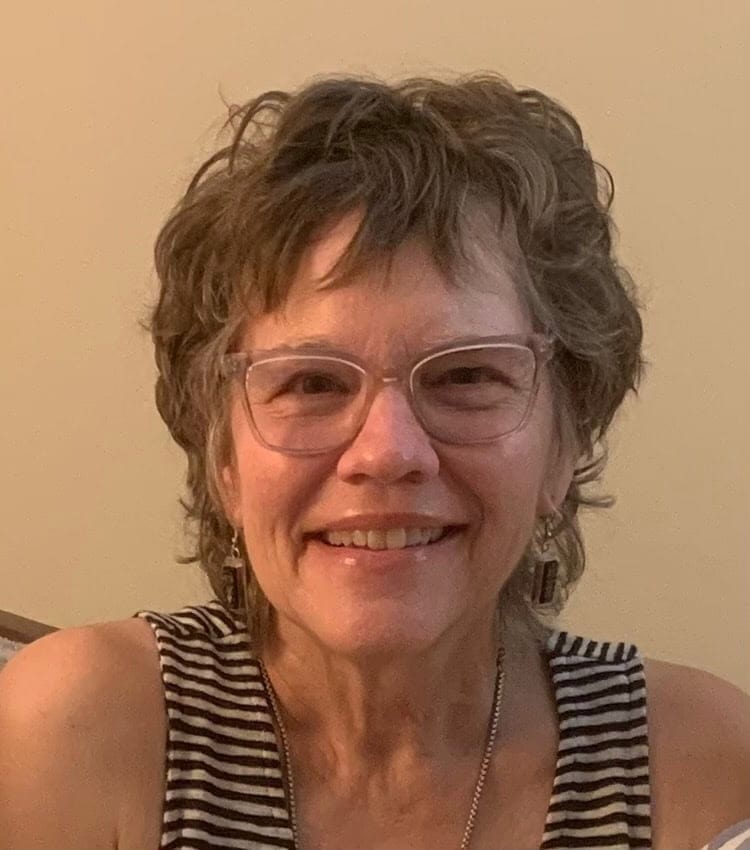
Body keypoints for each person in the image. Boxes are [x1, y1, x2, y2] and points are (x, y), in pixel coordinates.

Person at [0, 73, 748, 850]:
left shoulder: (700, 768)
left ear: (565, 445)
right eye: (312, 382)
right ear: (222, 455)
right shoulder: (83, 733)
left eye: (466, 376)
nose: (388, 451)